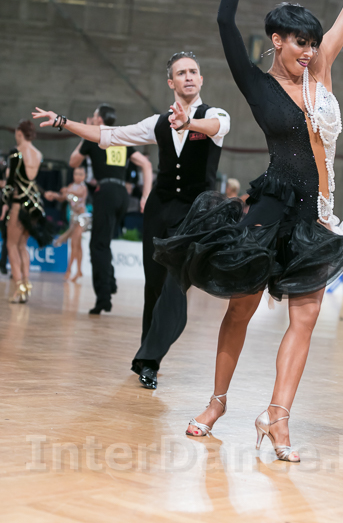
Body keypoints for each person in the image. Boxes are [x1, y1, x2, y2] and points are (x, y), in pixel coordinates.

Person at [152, 0, 343, 461]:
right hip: (273, 208)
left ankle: (277, 418)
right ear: (277, 40)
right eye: (299, 42)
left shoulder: (320, 70)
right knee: (242, 307)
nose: (308, 50)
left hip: (317, 214)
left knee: (306, 316)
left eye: (312, 42)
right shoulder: (258, 85)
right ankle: (216, 402)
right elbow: (224, 21)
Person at [33, 52, 230, 389]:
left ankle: (148, 360)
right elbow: (108, 135)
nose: (188, 76)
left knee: (175, 284)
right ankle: (147, 358)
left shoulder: (214, 115)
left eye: (193, 71)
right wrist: (63, 121)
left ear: (201, 79)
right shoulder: (157, 123)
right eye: (181, 73)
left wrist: (189, 123)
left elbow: (217, 128)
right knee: (153, 286)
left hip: (193, 214)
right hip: (158, 209)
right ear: (170, 82)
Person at [64, 104, 152, 314]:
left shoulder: (95, 137)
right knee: (104, 242)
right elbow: (146, 165)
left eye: (94, 117)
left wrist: (84, 133)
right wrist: (145, 195)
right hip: (122, 195)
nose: (92, 119)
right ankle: (110, 282)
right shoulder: (120, 137)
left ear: (99, 120)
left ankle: (103, 298)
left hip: (106, 193)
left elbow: (73, 161)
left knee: (98, 245)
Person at [1, 120, 53, 303]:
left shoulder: (16, 153)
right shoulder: (38, 154)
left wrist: (3, 204)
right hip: (34, 207)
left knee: (11, 246)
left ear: (19, 133)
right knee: (22, 246)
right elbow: (31, 181)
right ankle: (26, 285)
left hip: (18, 205)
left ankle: (19, 288)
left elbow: (10, 185)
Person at [44, 166, 91, 282]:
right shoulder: (70, 186)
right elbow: (63, 197)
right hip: (73, 219)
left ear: (84, 176)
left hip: (81, 219)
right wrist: (54, 195)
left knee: (74, 244)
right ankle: (79, 271)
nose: (78, 176)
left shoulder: (83, 188)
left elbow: (78, 193)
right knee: (77, 245)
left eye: (81, 174)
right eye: (76, 174)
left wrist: (66, 190)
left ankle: (69, 270)